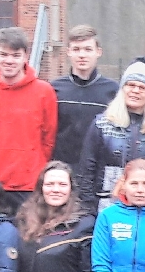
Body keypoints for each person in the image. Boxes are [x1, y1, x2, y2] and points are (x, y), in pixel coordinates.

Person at [76, 58, 145, 209]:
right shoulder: (102, 124)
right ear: (122, 88)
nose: (136, 91)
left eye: (142, 87)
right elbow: (87, 170)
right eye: (131, 85)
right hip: (109, 206)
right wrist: (89, 208)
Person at [0, 26, 58, 212]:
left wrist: (34, 168)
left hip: (29, 185)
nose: (9, 61)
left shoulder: (44, 91)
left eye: (16, 55)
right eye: (4, 54)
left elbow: (49, 138)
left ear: (25, 56)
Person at [49, 25, 119, 168]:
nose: (82, 55)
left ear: (98, 52)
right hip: (62, 170)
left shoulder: (113, 90)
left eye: (88, 49)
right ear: (68, 52)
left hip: (99, 170)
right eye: (76, 49)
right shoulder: (54, 89)